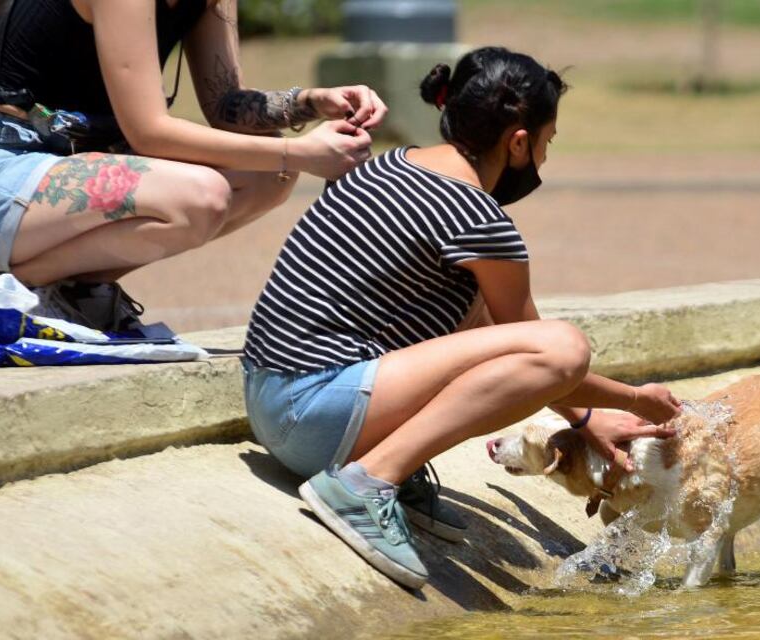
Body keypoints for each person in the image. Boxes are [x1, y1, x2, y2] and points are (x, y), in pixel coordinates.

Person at [241, 46, 682, 589]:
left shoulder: (387, 164)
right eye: (547, 144)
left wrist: (587, 420)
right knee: (562, 346)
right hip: (314, 417)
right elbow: (544, 359)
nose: (543, 159)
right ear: (518, 142)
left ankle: (386, 471)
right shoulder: (478, 217)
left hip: (269, 401)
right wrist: (636, 400)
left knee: (483, 310)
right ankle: (368, 481)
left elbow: (493, 337)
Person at [0, 0, 385, 331]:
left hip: (72, 157)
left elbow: (225, 104)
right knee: (200, 197)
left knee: (270, 175)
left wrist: (310, 103)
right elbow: (149, 130)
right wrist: (302, 152)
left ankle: (69, 292)